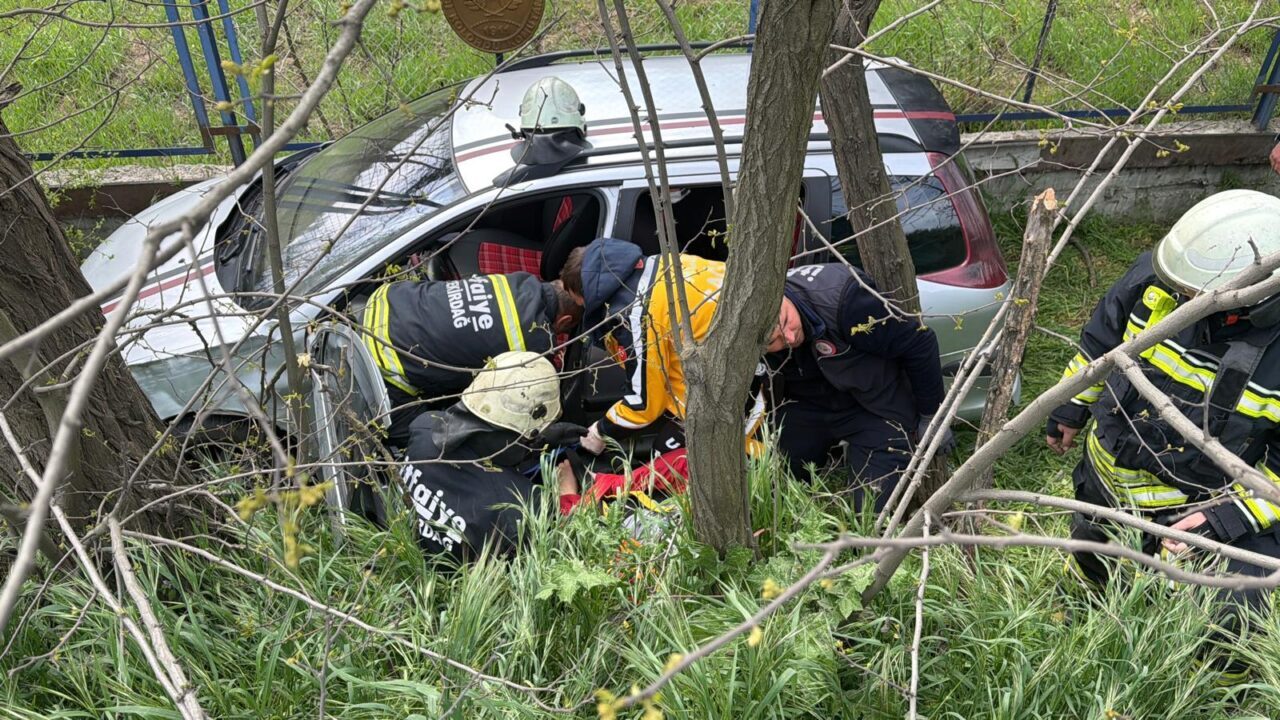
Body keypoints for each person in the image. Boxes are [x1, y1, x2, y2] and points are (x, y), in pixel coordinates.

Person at [1045, 189, 1280, 681]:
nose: (1181, 302)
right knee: (1091, 559)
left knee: (1228, 616)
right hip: (1105, 480)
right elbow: (1100, 343)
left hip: (1198, 512)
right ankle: (1082, 619)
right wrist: (1071, 406)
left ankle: (1200, 685)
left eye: (1194, 298)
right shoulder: (1167, 274)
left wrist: (1227, 518)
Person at [400, 351, 688, 564]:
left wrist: (542, 437)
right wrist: (567, 493)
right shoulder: (521, 508)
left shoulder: (425, 428)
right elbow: (577, 546)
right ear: (522, 436)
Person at [559, 238, 766, 456]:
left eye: (583, 305)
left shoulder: (637, 315)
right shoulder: (664, 262)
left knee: (666, 460)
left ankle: (766, 465)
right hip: (758, 355)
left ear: (594, 294)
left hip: (741, 393)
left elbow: (644, 404)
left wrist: (599, 432)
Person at [764, 263, 946, 510]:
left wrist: (931, 415)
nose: (789, 337)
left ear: (782, 294)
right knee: (776, 490)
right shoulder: (745, 332)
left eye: (786, 320)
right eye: (774, 341)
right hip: (809, 404)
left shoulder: (847, 302)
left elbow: (920, 343)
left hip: (875, 406)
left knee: (868, 511)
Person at [361, 271, 581, 446]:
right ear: (564, 321)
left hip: (387, 302)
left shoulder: (521, 281)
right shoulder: (535, 345)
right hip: (386, 362)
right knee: (422, 437)